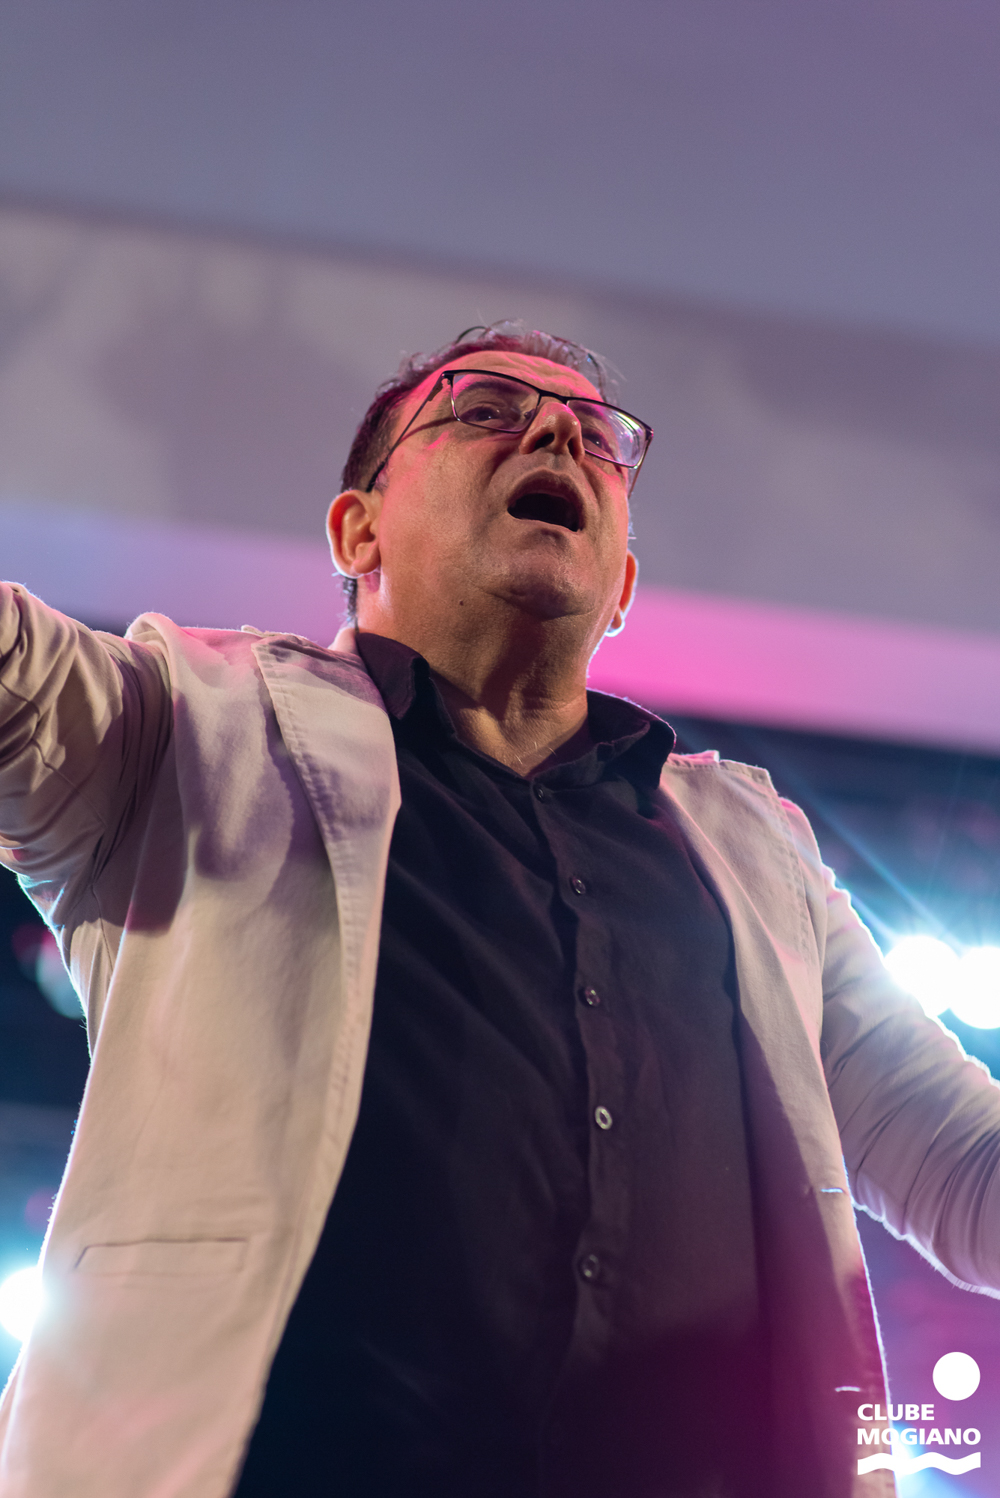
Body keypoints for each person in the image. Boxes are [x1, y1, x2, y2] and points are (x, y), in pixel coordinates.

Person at [0, 322, 998, 1498]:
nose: (557, 435)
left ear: (621, 588)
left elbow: (969, 1169)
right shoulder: (180, 730)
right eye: (482, 409)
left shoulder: (757, 855)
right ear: (357, 531)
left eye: (597, 438)